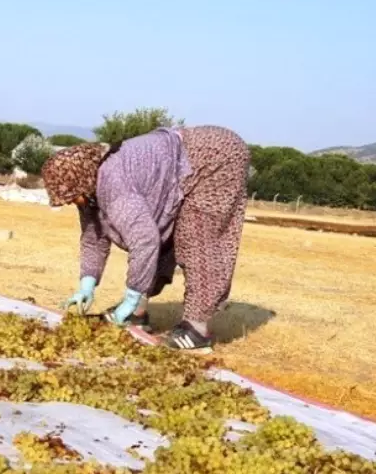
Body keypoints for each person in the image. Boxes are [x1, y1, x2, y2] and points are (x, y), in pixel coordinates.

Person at [41, 126, 251, 353]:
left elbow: (145, 241)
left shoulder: (113, 182)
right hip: (179, 159)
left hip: (215, 158)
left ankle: (196, 330)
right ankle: (137, 315)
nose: (74, 202)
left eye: (72, 196)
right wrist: (87, 284)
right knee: (157, 227)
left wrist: (131, 295)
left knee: (197, 239)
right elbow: (94, 236)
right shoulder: (88, 183)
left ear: (80, 180)